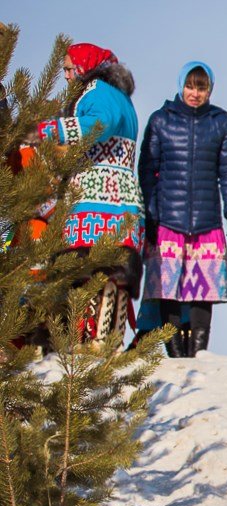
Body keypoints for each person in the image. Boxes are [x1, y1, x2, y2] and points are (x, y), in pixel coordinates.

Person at [36, 43, 143, 345]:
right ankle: (107, 332)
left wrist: (45, 130)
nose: (67, 76)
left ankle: (88, 336)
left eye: (70, 68)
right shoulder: (120, 96)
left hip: (96, 198)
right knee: (111, 272)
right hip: (122, 198)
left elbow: (98, 125)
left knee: (86, 270)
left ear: (85, 66)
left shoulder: (97, 90)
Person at [137, 61, 227, 357]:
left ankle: (198, 354)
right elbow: (148, 170)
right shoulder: (161, 120)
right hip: (168, 218)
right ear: (181, 85)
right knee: (166, 287)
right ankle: (175, 354)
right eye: (190, 86)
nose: (195, 93)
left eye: (201, 87)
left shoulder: (220, 122)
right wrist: (151, 213)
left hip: (207, 220)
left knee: (203, 289)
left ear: (210, 90)